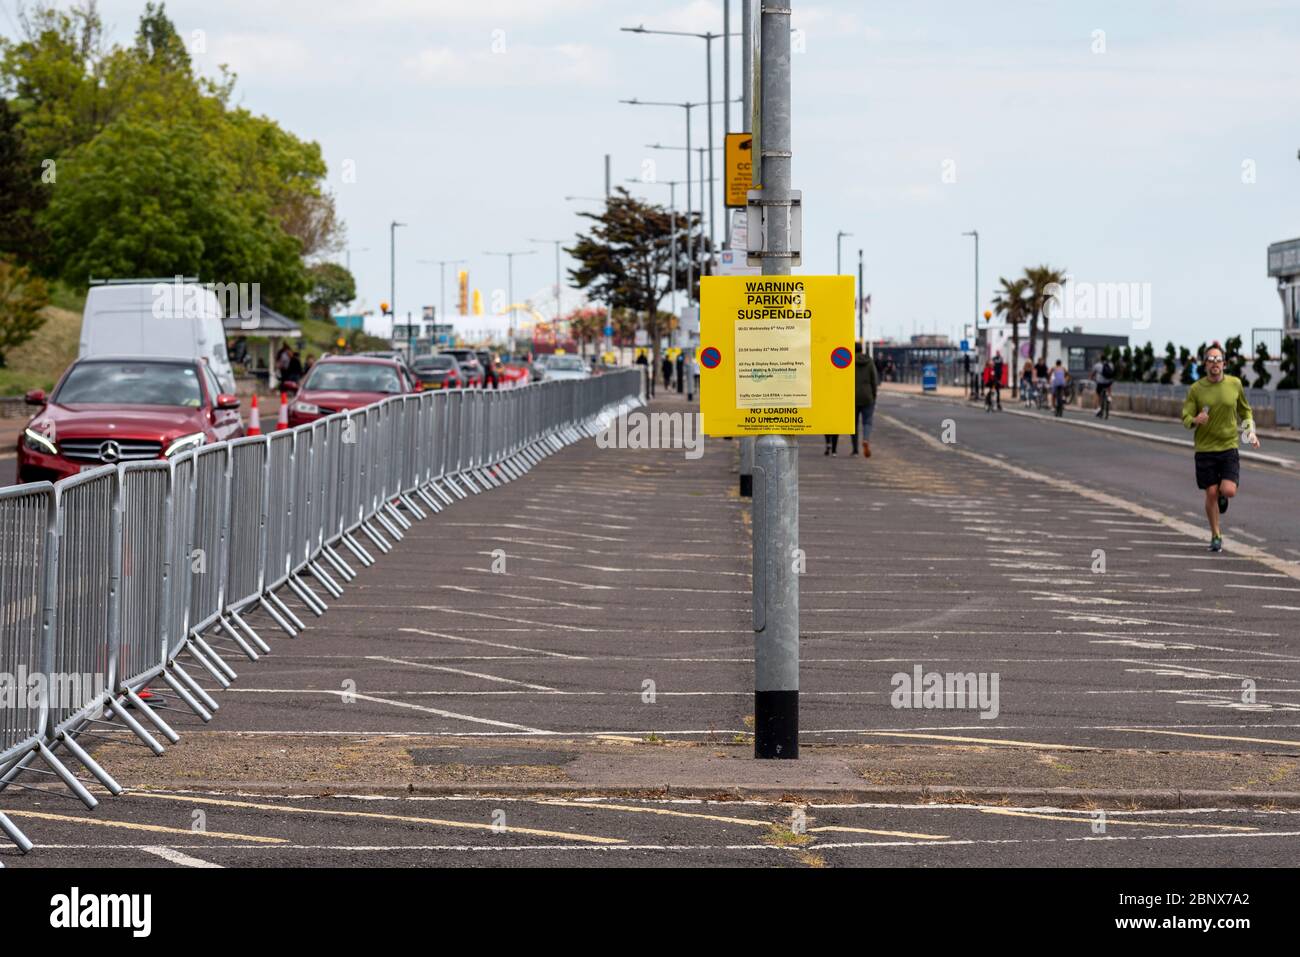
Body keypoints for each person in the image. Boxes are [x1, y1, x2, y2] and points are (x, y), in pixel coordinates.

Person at [1181, 343, 1259, 552]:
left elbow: (1245, 411)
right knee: (1211, 493)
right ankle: (1216, 534)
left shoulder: (1235, 384)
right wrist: (1196, 419)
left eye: (1218, 360)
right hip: (1205, 449)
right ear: (1205, 365)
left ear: (1224, 364)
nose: (1214, 364)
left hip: (1228, 446)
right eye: (1210, 360)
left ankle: (1224, 496)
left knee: (1228, 490)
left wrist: (1250, 432)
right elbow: (1185, 416)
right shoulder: (1196, 389)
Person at [851, 341, 879, 457]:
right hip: (867, 396)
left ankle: (855, 450)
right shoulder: (869, 361)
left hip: (852, 397)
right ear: (861, 349)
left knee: (853, 424)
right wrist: (874, 395)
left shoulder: (849, 362)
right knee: (867, 421)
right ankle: (866, 439)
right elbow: (874, 379)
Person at [1090, 353, 1114, 418]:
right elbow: (1112, 373)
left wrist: (1092, 378)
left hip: (1100, 383)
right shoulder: (1110, 364)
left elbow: (1092, 374)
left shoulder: (1097, 365)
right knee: (1109, 385)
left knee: (1097, 393)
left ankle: (1098, 408)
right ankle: (1109, 396)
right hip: (1108, 382)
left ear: (1100, 359)